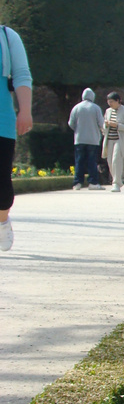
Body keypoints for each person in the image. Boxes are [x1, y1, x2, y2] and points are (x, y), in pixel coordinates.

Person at [0, 25, 33, 252]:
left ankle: (2, 221)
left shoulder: (7, 36)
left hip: (1, 119)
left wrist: (25, 110)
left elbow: (21, 74)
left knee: (2, 184)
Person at [68, 88, 104, 190]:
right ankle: (93, 182)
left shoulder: (76, 108)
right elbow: (101, 123)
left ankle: (77, 183)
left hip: (79, 139)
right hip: (93, 139)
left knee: (79, 161)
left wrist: (78, 129)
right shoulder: (96, 108)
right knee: (92, 161)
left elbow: (71, 123)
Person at [102, 93, 124, 193]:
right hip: (109, 139)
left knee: (116, 160)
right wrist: (106, 125)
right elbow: (104, 126)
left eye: (111, 102)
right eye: (108, 102)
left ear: (118, 101)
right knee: (110, 161)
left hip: (120, 140)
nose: (110, 104)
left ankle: (115, 183)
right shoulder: (108, 111)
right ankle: (117, 180)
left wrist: (117, 125)